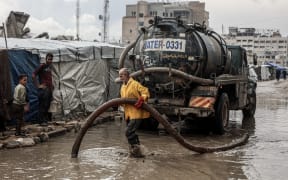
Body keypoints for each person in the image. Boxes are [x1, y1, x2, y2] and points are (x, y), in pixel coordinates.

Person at [119, 68, 150, 158]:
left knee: (128, 132)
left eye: (122, 75)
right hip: (128, 114)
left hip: (136, 113)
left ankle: (135, 151)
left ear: (128, 75)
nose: (120, 77)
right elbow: (123, 99)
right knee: (131, 133)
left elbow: (145, 92)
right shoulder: (123, 86)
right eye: (119, 75)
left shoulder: (135, 84)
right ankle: (136, 151)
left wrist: (141, 99)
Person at [32, 53, 53, 126]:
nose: (50, 61)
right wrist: (38, 85)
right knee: (43, 105)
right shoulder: (42, 66)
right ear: (46, 59)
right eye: (48, 59)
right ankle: (41, 121)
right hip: (44, 90)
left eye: (51, 59)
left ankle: (45, 120)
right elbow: (34, 74)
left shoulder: (50, 67)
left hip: (49, 89)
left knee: (47, 105)